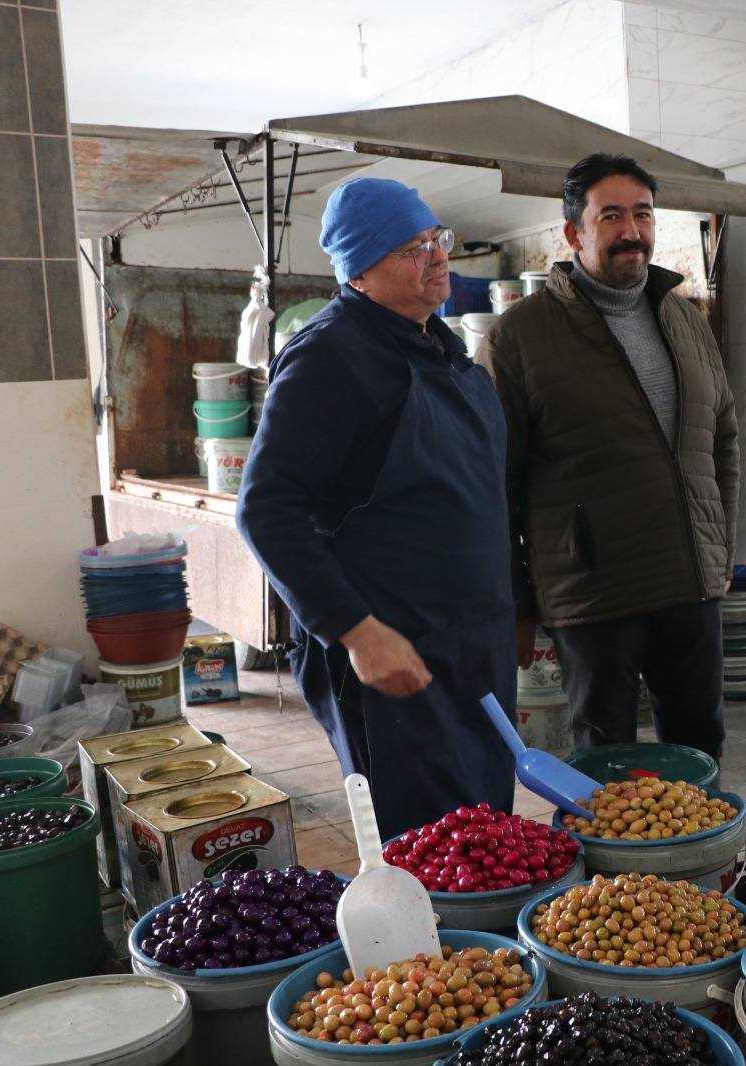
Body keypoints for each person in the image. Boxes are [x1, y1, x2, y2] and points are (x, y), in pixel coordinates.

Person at [237, 178, 516, 839]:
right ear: (359, 272)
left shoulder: (443, 350)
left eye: (436, 238)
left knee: (485, 838)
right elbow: (266, 509)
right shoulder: (330, 357)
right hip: (394, 656)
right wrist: (357, 633)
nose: (439, 256)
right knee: (425, 847)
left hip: (472, 646)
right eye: (413, 248)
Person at [477, 153, 739, 760]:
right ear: (574, 233)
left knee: (700, 746)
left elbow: (724, 439)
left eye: (643, 214)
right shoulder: (519, 336)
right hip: (593, 591)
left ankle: (697, 832)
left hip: (690, 581)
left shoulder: (685, 318)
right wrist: (517, 604)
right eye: (612, 216)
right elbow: (495, 484)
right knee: (604, 758)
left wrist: (720, 549)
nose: (631, 231)